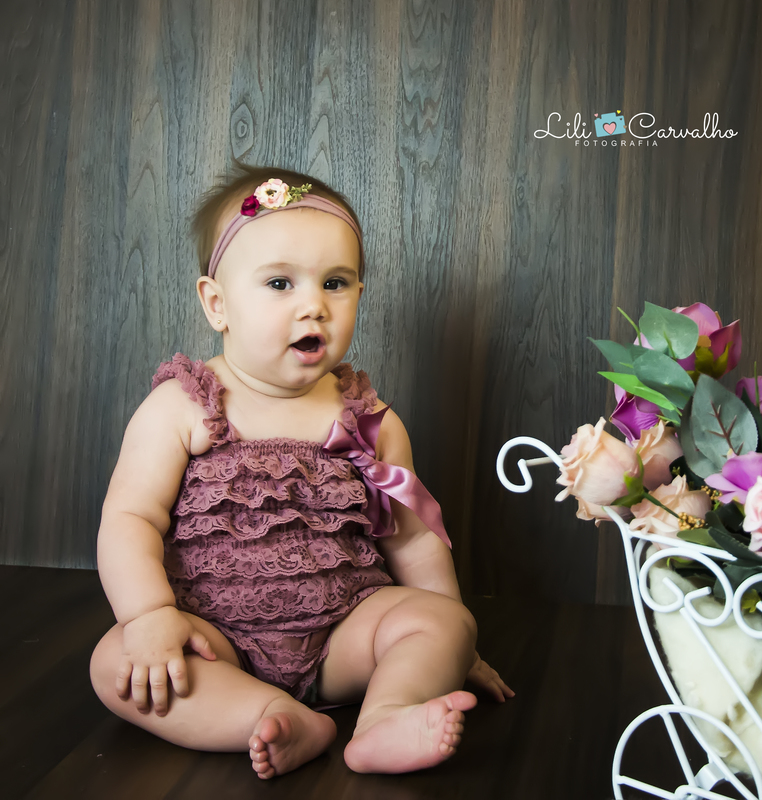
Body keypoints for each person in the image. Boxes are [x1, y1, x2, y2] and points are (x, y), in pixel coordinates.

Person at [88, 163, 513, 779]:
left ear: (359, 295)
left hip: (343, 635)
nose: (314, 305)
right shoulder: (183, 406)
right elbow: (129, 517)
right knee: (115, 663)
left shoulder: (369, 420)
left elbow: (414, 538)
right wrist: (149, 615)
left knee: (445, 619)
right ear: (217, 303)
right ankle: (271, 717)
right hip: (215, 637)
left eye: (335, 283)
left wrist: (454, 648)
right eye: (281, 283)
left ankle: (385, 716)